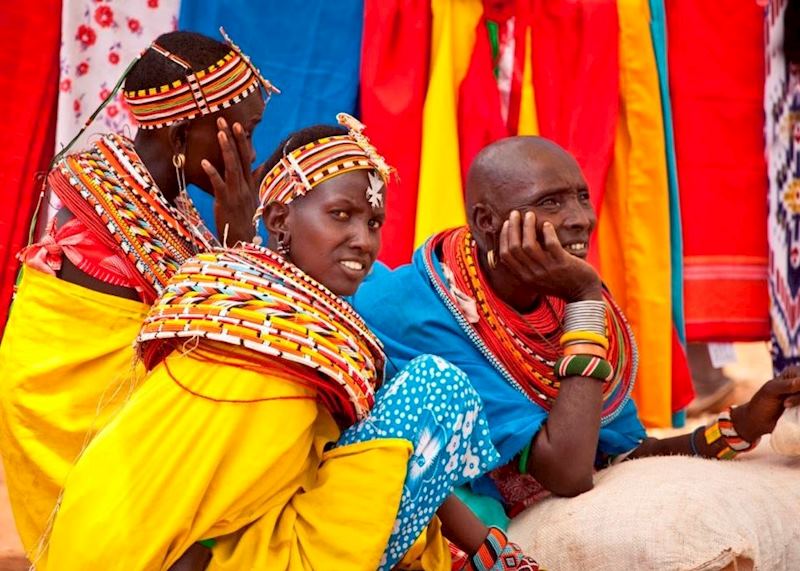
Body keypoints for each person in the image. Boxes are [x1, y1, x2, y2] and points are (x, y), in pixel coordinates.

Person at [44, 117, 540, 571]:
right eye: (341, 214)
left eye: (372, 223)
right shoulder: (270, 338)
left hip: (121, 540)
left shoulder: (269, 307)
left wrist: (487, 550)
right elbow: (204, 504)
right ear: (280, 220)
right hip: (170, 555)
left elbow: (366, 459)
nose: (363, 240)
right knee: (436, 390)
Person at [352, 136, 800, 524]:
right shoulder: (421, 309)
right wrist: (585, 299)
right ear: (487, 222)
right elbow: (568, 473)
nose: (580, 218)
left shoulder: (555, 299)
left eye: (582, 197)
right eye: (550, 202)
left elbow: (616, 455)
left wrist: (743, 423)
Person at [0, 29, 275, 563]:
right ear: (178, 139)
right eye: (244, 134)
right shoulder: (106, 220)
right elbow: (206, 350)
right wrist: (239, 238)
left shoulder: (164, 198)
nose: (252, 153)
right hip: (88, 472)